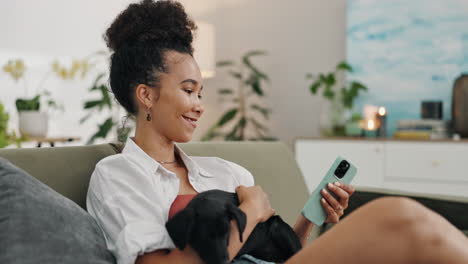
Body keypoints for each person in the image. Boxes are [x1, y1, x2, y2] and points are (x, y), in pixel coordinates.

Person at [86, 1, 468, 264]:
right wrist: (251, 210)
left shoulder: (226, 173)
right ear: (146, 95)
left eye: (201, 92)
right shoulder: (119, 175)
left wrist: (309, 220)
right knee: (397, 217)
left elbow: (281, 254)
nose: (200, 104)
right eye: (188, 91)